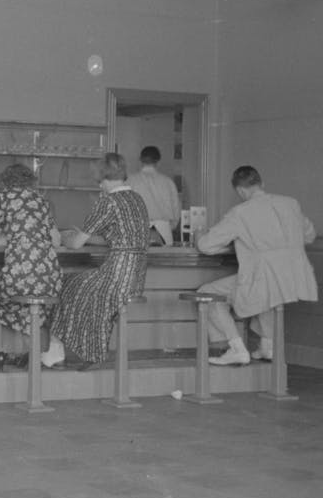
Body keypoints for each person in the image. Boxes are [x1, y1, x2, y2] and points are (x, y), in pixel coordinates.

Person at [196, 166, 317, 366]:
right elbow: (310, 235)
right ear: (262, 184)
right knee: (269, 297)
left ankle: (236, 349)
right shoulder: (290, 204)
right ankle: (267, 346)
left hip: (262, 277)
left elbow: (206, 246)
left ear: (240, 191)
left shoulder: (240, 212)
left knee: (206, 294)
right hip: (294, 278)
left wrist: (200, 235)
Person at [46, 153, 149, 369]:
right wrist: (88, 237)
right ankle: (83, 350)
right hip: (136, 278)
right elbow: (119, 238)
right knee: (83, 290)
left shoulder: (108, 201)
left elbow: (75, 245)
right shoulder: (137, 199)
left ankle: (61, 350)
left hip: (116, 276)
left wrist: (66, 236)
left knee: (65, 285)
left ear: (102, 178)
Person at [0, 163, 63, 370]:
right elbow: (56, 241)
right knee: (32, 300)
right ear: (31, 181)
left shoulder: (4, 198)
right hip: (50, 279)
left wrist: (18, 239)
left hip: (17, 278)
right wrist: (32, 239)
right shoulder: (42, 201)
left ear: (6, 181)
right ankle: (31, 353)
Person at [127, 145, 180, 246]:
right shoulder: (168, 182)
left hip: (137, 228)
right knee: (163, 261)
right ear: (158, 160)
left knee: (137, 260)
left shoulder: (130, 181)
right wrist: (168, 226)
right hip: (163, 229)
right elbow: (176, 211)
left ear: (140, 159)